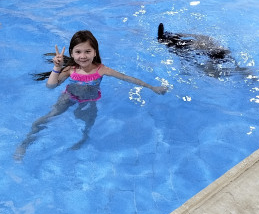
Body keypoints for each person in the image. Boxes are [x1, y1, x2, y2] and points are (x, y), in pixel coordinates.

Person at [16, 30, 167, 159]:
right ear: (72, 53)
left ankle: (82, 140)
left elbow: (127, 78)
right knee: (44, 120)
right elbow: (50, 86)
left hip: (89, 101)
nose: (83, 56)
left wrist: (152, 87)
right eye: (78, 52)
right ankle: (25, 144)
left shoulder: (102, 69)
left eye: (87, 51)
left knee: (88, 125)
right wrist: (57, 67)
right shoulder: (70, 69)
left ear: (95, 52)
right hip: (68, 97)